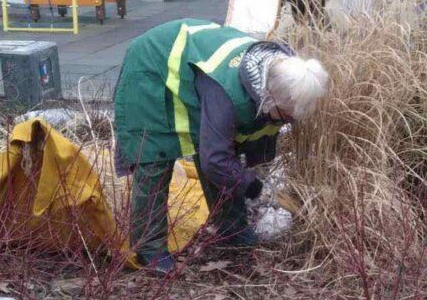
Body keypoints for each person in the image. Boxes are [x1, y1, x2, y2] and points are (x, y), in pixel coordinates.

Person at [114, 18, 329, 272]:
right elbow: (215, 161)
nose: (290, 121)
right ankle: (149, 249)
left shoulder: (287, 70)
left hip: (194, 70)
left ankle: (232, 229)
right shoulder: (226, 95)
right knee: (153, 155)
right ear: (269, 99)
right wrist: (254, 187)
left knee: (221, 151)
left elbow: (234, 148)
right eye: (287, 115)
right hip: (151, 68)